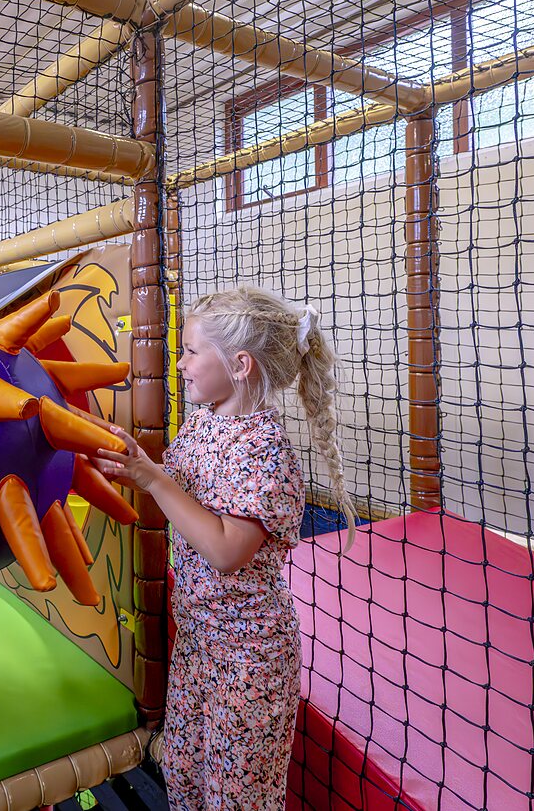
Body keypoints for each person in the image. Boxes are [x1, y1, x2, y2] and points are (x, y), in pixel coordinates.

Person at [92, 286, 355, 809]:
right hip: (198, 643)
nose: (182, 363)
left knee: (237, 798)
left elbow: (226, 550)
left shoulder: (264, 448)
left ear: (240, 364)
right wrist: (136, 463)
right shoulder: (204, 421)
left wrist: (154, 481)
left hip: (247, 658)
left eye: (191, 351)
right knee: (186, 777)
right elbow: (189, 493)